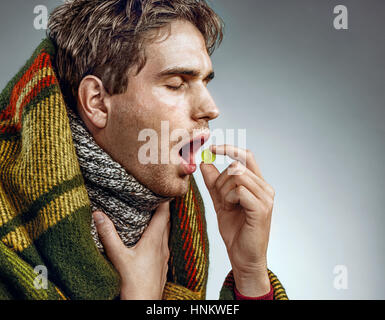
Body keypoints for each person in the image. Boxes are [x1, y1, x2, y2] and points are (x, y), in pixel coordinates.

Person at [0, 0, 287, 300]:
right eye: (177, 84)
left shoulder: (175, 225)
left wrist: (250, 273)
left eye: (204, 82)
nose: (211, 109)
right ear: (97, 102)